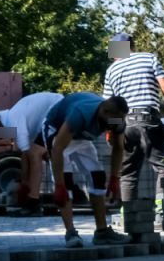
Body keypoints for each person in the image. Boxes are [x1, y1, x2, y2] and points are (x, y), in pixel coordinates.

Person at [43, 92, 132, 248]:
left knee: (97, 178)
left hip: (81, 137)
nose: (112, 126)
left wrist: (114, 178)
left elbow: (118, 147)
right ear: (103, 112)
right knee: (66, 182)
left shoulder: (114, 118)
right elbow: (57, 149)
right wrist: (58, 185)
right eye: (110, 122)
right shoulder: (80, 113)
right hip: (58, 134)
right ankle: (71, 233)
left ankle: (102, 232)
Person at [102, 33, 164, 206]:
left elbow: (108, 108)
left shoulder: (111, 70)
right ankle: (162, 210)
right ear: (132, 47)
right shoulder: (148, 58)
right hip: (147, 119)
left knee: (128, 172)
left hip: (124, 125)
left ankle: (129, 214)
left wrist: (112, 130)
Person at [0, 92, 63, 214]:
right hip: (52, 111)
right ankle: (72, 189)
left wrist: (24, 185)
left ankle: (33, 203)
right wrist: (23, 181)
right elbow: (24, 156)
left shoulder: (15, 122)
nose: (1, 141)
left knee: (35, 154)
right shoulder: (13, 120)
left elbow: (28, 155)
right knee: (41, 154)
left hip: (58, 108)